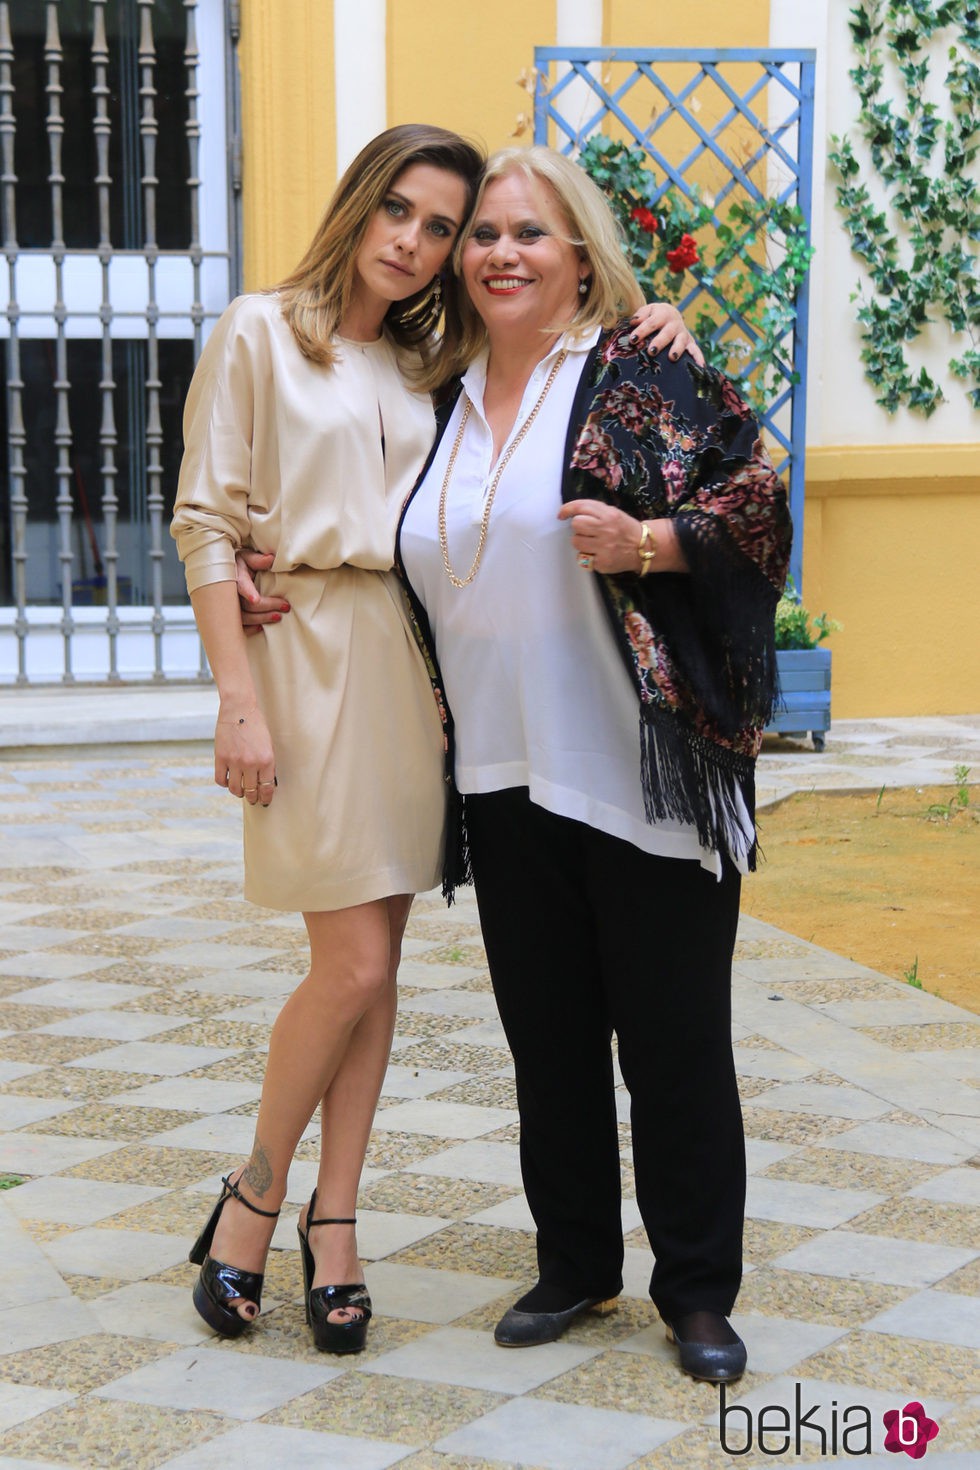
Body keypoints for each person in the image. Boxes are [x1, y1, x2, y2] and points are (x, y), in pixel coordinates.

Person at [172, 123, 697, 1356]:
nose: (417, 244)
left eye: (443, 227)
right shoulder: (260, 330)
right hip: (299, 660)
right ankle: (253, 1196)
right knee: (345, 966)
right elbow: (204, 517)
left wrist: (652, 310)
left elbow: (553, 347)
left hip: (414, 676)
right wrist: (233, 694)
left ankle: (336, 1221)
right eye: (398, 212)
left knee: (382, 970)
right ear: (359, 203)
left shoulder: (430, 363)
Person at [395, 145, 791, 1383]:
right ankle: (572, 1264)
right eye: (484, 235)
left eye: (530, 233)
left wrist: (653, 542)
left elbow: (761, 502)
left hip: (638, 770)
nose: (500, 252)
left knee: (672, 1044)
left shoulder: (640, 372)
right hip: (500, 778)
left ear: (579, 260)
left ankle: (696, 1292)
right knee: (548, 1041)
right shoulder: (436, 394)